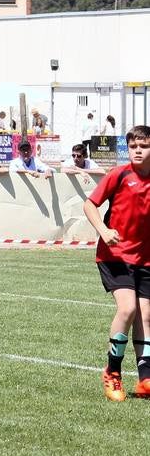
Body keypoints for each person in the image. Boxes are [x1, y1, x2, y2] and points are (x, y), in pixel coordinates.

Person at [82, 125, 150, 402]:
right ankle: (112, 372)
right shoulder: (118, 174)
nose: (137, 150)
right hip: (115, 255)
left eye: (143, 146)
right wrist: (103, 230)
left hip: (146, 258)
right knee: (128, 308)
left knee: (146, 316)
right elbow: (89, 204)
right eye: (133, 145)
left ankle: (145, 378)